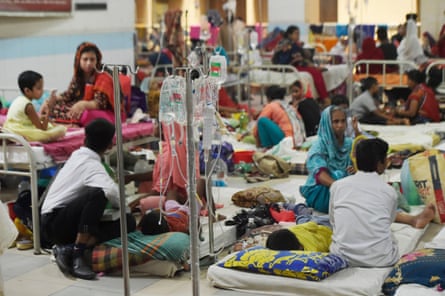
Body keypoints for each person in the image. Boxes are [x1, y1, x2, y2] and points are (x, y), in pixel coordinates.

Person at [41, 119, 136, 280]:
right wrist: (123, 207)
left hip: (60, 221)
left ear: (85, 139)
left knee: (127, 222)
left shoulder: (77, 155)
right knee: (97, 194)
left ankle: (67, 250)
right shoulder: (91, 166)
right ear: (109, 146)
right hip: (54, 224)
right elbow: (113, 192)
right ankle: (78, 255)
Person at [329, 138, 435, 267]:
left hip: (341, 256)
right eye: (386, 158)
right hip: (379, 260)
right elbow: (387, 222)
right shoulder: (388, 191)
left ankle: (413, 220)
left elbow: (333, 220)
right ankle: (413, 220)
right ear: (380, 164)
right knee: (385, 229)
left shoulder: (338, 186)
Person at [40, 42, 124, 127]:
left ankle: (65, 124)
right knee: (53, 108)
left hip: (104, 110)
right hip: (84, 106)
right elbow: (68, 95)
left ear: (97, 60)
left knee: (84, 114)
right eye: (85, 59)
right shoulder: (79, 75)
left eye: (92, 59)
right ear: (78, 60)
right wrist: (49, 101)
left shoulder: (103, 76)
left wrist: (82, 104)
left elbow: (100, 103)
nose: (88, 63)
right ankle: (67, 124)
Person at [299, 106, 355, 213]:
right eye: (336, 122)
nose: (341, 125)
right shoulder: (319, 145)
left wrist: (355, 171)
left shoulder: (349, 143)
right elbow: (320, 174)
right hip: (322, 190)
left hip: (345, 189)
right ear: (327, 123)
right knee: (339, 174)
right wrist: (340, 187)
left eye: (343, 121)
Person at [272, 25, 331, 106]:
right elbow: (294, 59)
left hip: (291, 66)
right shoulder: (288, 44)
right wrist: (311, 66)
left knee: (315, 71)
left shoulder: (291, 43)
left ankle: (322, 98)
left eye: (299, 33)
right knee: (316, 73)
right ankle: (325, 98)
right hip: (287, 67)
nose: (298, 36)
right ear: (289, 34)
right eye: (296, 33)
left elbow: (300, 56)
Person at [3, 71, 66, 142]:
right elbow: (42, 129)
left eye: (42, 87)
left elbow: (26, 120)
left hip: (9, 129)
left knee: (50, 125)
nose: (42, 91)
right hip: (19, 132)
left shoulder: (18, 99)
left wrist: (42, 118)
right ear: (27, 91)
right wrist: (49, 110)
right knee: (60, 130)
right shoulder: (28, 106)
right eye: (39, 88)